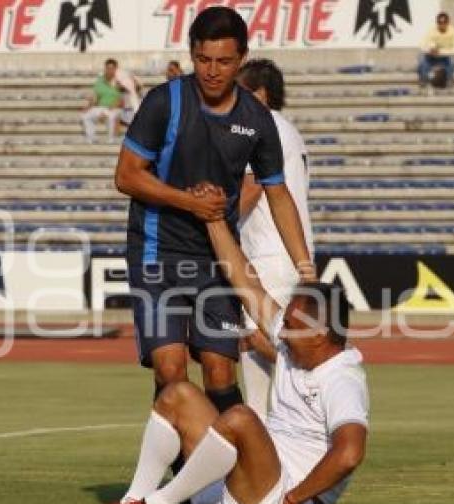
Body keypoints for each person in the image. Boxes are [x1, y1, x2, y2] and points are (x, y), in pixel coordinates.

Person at [69, 212, 368, 504]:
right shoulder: (297, 342)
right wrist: (213, 219)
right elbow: (244, 279)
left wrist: (295, 499)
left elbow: (350, 454)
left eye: (291, 329)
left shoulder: (342, 378)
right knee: (176, 394)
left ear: (320, 334)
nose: (280, 334)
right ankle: (134, 503)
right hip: (239, 492)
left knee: (240, 418)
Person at [116, 6, 315, 437]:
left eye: (223, 61)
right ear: (192, 54)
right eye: (203, 60)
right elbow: (127, 176)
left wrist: (306, 269)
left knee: (220, 373)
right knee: (170, 370)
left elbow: (277, 194)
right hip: (156, 254)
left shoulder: (256, 120)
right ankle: (181, 489)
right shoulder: (163, 102)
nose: (212, 71)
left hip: (217, 261)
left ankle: (237, 478)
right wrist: (189, 203)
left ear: (241, 58)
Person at [236, 59, 314, 422]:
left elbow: (250, 191)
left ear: (260, 93)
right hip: (292, 254)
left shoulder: (260, 127)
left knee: (258, 354)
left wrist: (207, 224)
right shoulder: (290, 130)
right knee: (281, 347)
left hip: (269, 255)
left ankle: (263, 460)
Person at [81, 58, 122, 143]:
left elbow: (120, 100)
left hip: (115, 108)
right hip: (101, 107)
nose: (109, 71)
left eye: (112, 68)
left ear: (116, 69)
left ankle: (111, 139)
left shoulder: (120, 81)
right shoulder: (100, 80)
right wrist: (88, 107)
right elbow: (96, 96)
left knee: (110, 116)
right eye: (107, 68)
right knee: (85, 116)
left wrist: (106, 112)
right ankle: (91, 138)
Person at [418, 12, 454, 88]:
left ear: (448, 22)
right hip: (433, 57)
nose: (442, 24)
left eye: (444, 22)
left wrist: (440, 51)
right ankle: (424, 79)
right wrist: (430, 49)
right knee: (422, 59)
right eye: (440, 22)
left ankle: (449, 79)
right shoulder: (432, 30)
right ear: (437, 23)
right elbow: (422, 45)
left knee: (452, 60)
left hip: (446, 57)